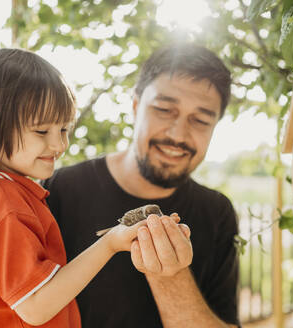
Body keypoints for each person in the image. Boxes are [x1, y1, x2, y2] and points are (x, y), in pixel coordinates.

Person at [0, 48, 183, 327]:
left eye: (63, 129)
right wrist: (110, 243)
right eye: (42, 131)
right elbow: (35, 306)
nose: (59, 145)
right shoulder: (3, 204)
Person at [42, 43, 240, 327]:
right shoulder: (60, 189)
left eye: (200, 120)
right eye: (164, 109)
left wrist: (169, 276)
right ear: (135, 107)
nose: (178, 134)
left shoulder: (218, 212)